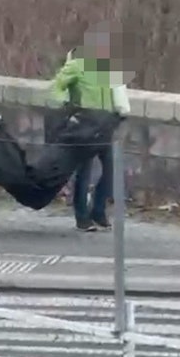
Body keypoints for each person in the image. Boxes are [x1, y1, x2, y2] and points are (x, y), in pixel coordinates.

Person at [50, 26, 131, 232]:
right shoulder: (77, 65)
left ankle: (98, 211)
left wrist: (120, 112)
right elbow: (57, 86)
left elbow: (117, 92)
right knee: (84, 171)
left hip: (106, 123)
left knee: (109, 170)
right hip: (86, 123)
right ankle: (82, 216)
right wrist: (67, 107)